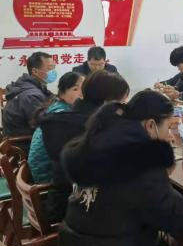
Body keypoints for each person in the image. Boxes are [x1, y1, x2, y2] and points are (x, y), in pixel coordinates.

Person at [56, 90, 183, 246]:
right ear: (150, 125)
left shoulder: (101, 137)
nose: (169, 136)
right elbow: (177, 215)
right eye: (167, 128)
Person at [41, 70, 130, 222]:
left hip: (59, 203)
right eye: (122, 102)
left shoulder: (56, 121)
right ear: (108, 103)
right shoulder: (101, 128)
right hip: (86, 215)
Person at [28, 72, 84, 184]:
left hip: (46, 171)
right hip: (48, 178)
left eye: (84, 89)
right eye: (76, 89)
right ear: (62, 92)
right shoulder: (62, 115)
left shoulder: (58, 107)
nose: (82, 94)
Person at [3, 52, 55, 152]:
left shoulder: (31, 87)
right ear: (35, 71)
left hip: (25, 142)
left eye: (54, 68)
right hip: (25, 147)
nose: (53, 72)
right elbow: (44, 125)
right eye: (50, 68)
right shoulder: (31, 95)